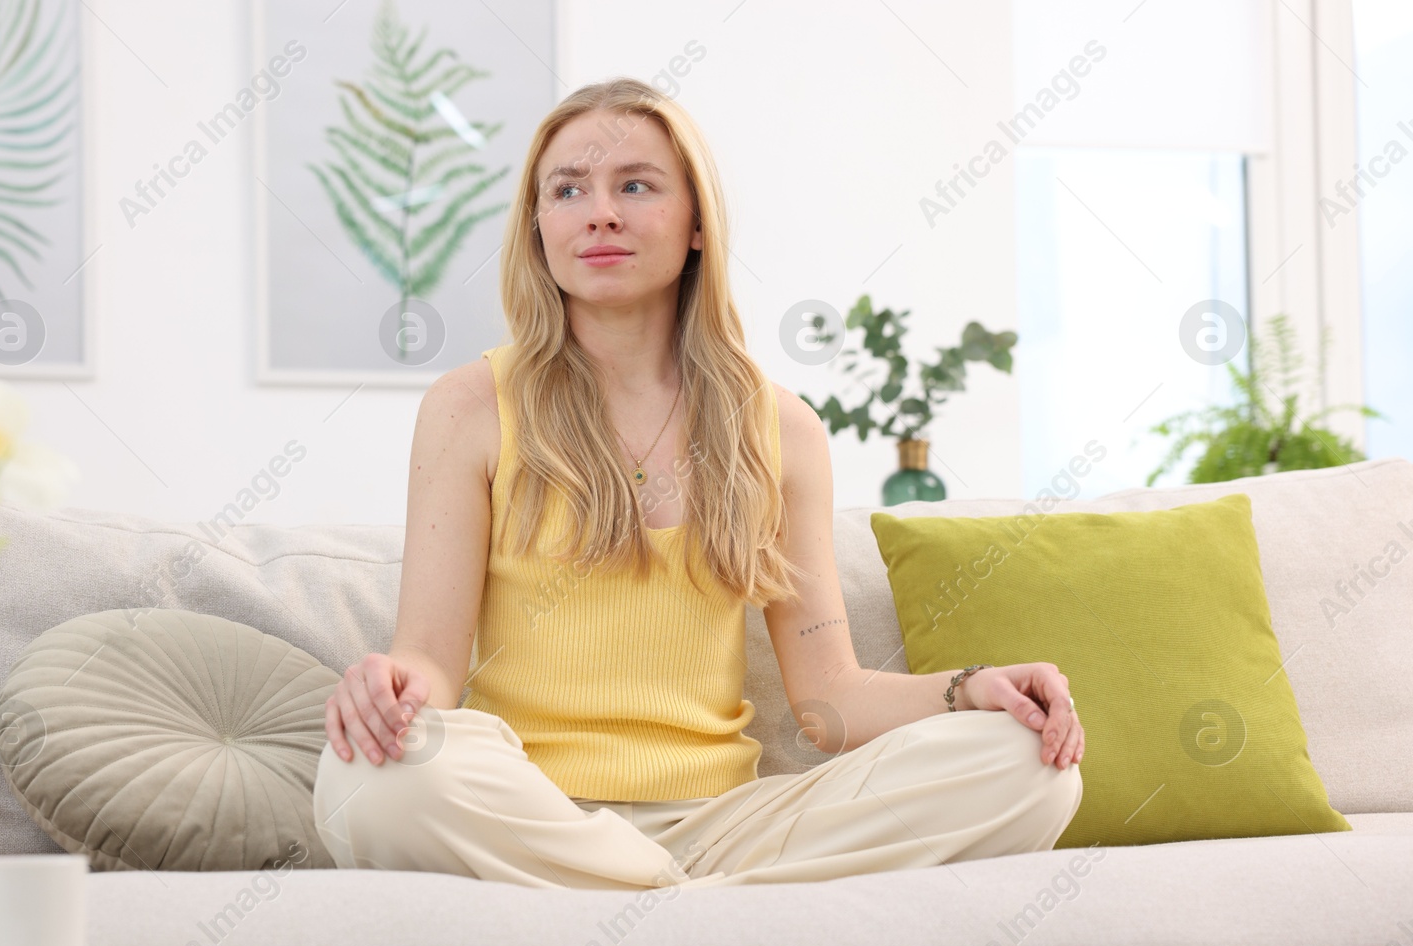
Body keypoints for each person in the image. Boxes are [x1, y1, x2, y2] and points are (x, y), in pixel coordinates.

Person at [312, 77, 1083, 891]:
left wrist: (971, 689)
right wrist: (391, 688)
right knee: (364, 778)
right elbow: (427, 660)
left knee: (1028, 764)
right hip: (530, 805)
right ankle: (681, 901)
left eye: (635, 185)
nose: (599, 212)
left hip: (726, 824)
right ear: (539, 228)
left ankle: (637, 893)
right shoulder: (469, 407)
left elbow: (831, 698)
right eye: (568, 189)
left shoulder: (781, 428)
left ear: (696, 227)